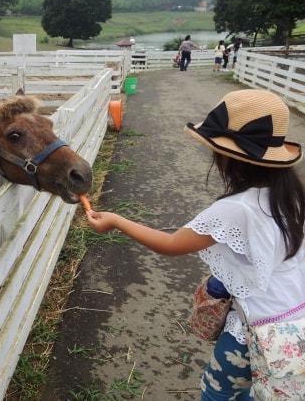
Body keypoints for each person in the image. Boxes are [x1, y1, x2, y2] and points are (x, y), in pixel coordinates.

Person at [85, 89, 304, 401]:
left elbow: (171, 244)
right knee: (257, 390)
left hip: (254, 332)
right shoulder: (291, 193)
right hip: (296, 320)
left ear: (228, 156)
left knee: (217, 394)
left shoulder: (237, 208)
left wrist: (117, 221)